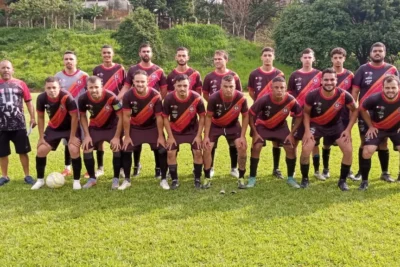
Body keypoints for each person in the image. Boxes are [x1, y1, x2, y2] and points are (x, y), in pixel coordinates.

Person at [300, 68, 358, 191]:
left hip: (336, 127)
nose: (329, 82)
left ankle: (342, 181)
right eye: (326, 79)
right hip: (316, 126)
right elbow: (305, 113)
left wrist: (348, 129)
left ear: (336, 80)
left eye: (332, 79)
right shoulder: (312, 95)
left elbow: (355, 110)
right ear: (321, 81)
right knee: (306, 149)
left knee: (348, 150)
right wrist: (307, 131)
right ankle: (305, 179)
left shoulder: (343, 95)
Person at [118, 43, 167, 179]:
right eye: (143, 51)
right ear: (139, 53)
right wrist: (116, 99)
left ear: (152, 53)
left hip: (152, 111)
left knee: (158, 142)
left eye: (148, 51)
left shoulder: (159, 70)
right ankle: (136, 165)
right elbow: (126, 87)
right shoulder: (133, 69)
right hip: (136, 111)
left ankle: (158, 169)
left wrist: (154, 104)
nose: (146, 53)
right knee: (135, 142)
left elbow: (163, 90)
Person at [352, 42, 399, 182]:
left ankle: (385, 172)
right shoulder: (362, 69)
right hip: (365, 111)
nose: (377, 53)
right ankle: (361, 172)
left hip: (387, 112)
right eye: (375, 51)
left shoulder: (392, 69)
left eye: (380, 51)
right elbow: (355, 90)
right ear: (370, 53)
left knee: (383, 142)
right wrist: (353, 110)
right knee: (364, 142)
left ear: (384, 53)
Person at [248, 76, 303, 188]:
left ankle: (291, 178)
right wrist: (255, 132)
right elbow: (251, 114)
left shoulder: (291, 100)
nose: (279, 90)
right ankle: (252, 178)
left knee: (290, 147)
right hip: (263, 126)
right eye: (276, 87)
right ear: (271, 89)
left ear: (285, 88)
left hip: (281, 128)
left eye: (282, 87)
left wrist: (292, 133)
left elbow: (299, 116)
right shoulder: (264, 99)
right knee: (257, 146)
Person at [31, 77, 82, 190]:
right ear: (45, 88)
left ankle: (76, 181)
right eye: (49, 88)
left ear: (59, 87)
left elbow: (75, 117)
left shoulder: (66, 97)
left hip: (70, 128)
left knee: (73, 149)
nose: (52, 90)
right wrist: (40, 137)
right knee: (41, 150)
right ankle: (40, 180)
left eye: (54, 87)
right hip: (54, 128)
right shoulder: (41, 98)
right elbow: (40, 117)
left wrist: (73, 137)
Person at [202, 74, 248, 189]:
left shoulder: (241, 98)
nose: (228, 89)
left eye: (231, 86)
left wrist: (243, 136)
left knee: (242, 147)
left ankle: (241, 177)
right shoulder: (213, 98)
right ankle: (207, 177)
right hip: (215, 125)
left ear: (235, 86)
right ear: (220, 86)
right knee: (207, 147)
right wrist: (206, 136)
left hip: (233, 125)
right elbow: (208, 117)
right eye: (225, 86)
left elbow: (246, 116)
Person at [87, 45, 126, 179]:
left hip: (115, 108)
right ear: (101, 54)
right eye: (104, 53)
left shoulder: (120, 69)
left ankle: (120, 168)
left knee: (117, 138)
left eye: (109, 53)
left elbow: (125, 85)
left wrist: (117, 99)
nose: (106, 55)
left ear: (113, 54)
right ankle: (100, 168)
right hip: (99, 109)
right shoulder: (97, 69)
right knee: (98, 142)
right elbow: (93, 87)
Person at [202, 50, 242, 178]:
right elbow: (205, 94)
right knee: (211, 144)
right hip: (215, 116)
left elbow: (239, 95)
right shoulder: (209, 77)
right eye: (215, 59)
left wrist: (229, 109)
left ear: (226, 60)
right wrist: (215, 105)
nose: (217, 61)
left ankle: (234, 168)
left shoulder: (234, 76)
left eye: (220, 59)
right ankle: (211, 167)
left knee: (233, 144)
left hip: (232, 117)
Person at [247, 47, 285, 179]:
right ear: (261, 57)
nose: (267, 57)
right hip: (259, 113)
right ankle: (253, 171)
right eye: (265, 55)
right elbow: (251, 92)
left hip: (276, 112)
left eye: (270, 55)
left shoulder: (279, 74)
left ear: (273, 57)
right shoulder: (254, 74)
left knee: (276, 141)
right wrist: (260, 103)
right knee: (256, 141)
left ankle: (276, 168)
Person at [79, 76, 123, 189]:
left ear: (102, 87)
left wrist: (117, 136)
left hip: (112, 127)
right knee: (87, 147)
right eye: (91, 87)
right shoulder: (83, 98)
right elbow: (83, 116)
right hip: (95, 127)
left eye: (96, 87)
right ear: (86, 88)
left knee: (116, 147)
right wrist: (87, 135)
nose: (93, 90)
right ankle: (92, 178)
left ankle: (116, 178)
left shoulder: (112, 97)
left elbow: (121, 117)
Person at [162, 74, 206, 189]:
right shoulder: (168, 98)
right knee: (171, 153)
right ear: (174, 86)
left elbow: (202, 117)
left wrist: (198, 135)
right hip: (175, 132)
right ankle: (175, 180)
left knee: (197, 152)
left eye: (185, 85)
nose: (182, 88)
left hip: (193, 132)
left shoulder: (196, 98)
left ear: (189, 85)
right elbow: (165, 118)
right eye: (179, 85)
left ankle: (197, 179)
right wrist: (170, 136)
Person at [358, 75, 400, 190]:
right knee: (367, 151)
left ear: (398, 87)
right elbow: (362, 109)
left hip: (396, 129)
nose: (390, 90)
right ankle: (364, 181)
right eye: (387, 88)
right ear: (383, 88)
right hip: (378, 129)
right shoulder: (375, 98)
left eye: (393, 88)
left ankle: (394, 175)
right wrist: (370, 126)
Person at [288, 48, 323, 180]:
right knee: (294, 141)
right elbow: (290, 95)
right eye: (305, 57)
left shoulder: (319, 75)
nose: (307, 60)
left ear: (313, 59)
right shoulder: (294, 75)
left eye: (310, 57)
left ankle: (317, 170)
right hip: (298, 115)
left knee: (314, 143)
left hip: (315, 116)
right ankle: (294, 170)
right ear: (301, 59)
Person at [322, 47, 356, 180]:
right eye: (335, 58)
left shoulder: (350, 75)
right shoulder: (326, 74)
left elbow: (353, 96)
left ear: (344, 59)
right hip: (329, 116)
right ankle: (325, 169)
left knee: (347, 142)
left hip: (345, 115)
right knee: (326, 143)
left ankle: (349, 170)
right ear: (331, 59)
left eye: (340, 58)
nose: (337, 60)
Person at [0, 60, 35, 186]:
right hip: (1, 126)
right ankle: (4, 176)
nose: (5, 70)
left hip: (19, 124)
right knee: (2, 153)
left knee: (23, 151)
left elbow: (29, 101)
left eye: (8, 68)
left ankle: (27, 175)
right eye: (3, 68)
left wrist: (32, 117)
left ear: (12, 69)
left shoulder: (20, 84)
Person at [55, 51, 88, 177]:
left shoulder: (84, 76)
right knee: (68, 141)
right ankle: (67, 168)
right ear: (63, 61)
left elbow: (88, 94)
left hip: (81, 114)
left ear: (76, 61)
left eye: (71, 59)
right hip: (65, 116)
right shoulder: (58, 76)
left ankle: (87, 168)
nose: (68, 61)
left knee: (85, 140)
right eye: (66, 59)